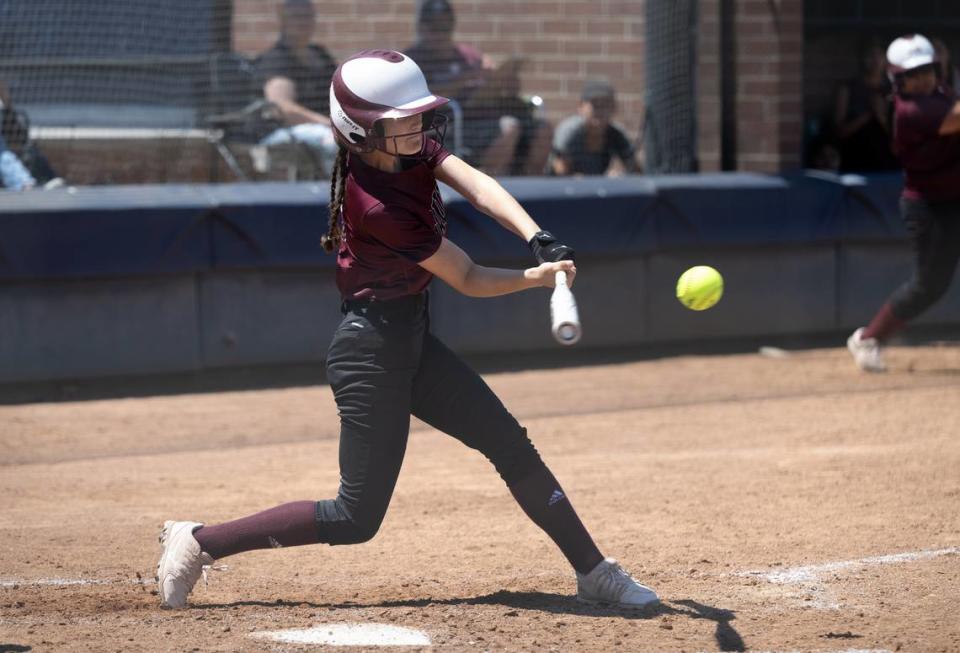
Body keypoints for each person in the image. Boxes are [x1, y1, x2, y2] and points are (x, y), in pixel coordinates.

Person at [156, 49, 659, 611]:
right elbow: (465, 275)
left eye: (420, 116)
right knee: (354, 517)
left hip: (412, 340)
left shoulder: (409, 147)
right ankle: (199, 542)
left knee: (510, 445)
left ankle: (594, 571)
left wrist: (535, 234)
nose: (417, 128)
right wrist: (535, 279)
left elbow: (474, 182)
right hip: (370, 354)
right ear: (360, 132)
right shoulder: (375, 206)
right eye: (402, 121)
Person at [847, 34, 960, 372]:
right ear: (897, 79)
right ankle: (868, 338)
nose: (921, 78)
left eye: (926, 70)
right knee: (930, 285)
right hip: (929, 208)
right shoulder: (910, 110)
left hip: (955, 198)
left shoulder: (939, 93)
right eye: (912, 74)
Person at [404, 0, 552, 176]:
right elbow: (422, 99)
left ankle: (531, 188)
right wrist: (465, 79)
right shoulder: (412, 60)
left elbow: (496, 85)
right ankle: (485, 184)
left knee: (543, 128)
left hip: (488, 113)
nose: (441, 34)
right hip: (451, 124)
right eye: (435, 28)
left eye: (445, 27)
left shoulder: (468, 55)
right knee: (509, 128)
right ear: (423, 28)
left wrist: (504, 78)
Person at [254, 0, 339, 175]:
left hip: (325, 127)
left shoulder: (320, 55)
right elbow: (284, 109)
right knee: (336, 141)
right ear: (283, 21)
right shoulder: (277, 59)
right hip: (282, 131)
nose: (303, 22)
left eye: (308, 17)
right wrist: (328, 124)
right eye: (297, 17)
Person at [831, 37, 899, 173]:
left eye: (879, 55)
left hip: (885, 162)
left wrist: (880, 115)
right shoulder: (847, 89)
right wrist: (867, 115)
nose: (875, 60)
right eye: (870, 55)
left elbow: (898, 139)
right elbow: (838, 132)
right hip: (855, 158)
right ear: (862, 59)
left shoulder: (893, 90)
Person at [548, 79, 638, 176]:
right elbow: (559, 170)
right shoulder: (569, 132)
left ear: (614, 108)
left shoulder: (616, 134)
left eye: (605, 104)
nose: (600, 110)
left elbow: (636, 169)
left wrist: (620, 176)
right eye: (595, 104)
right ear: (580, 107)